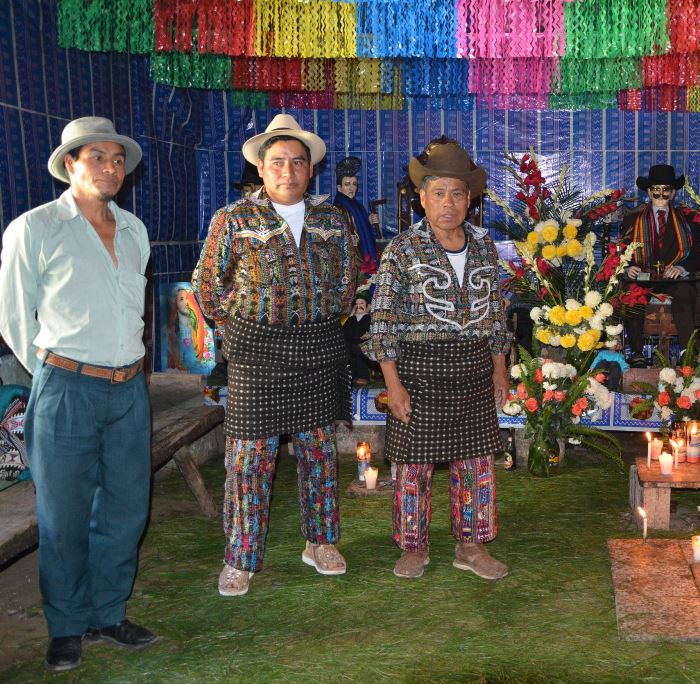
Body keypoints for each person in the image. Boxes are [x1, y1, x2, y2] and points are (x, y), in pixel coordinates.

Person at [0, 117, 156, 671]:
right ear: (70, 164)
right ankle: (66, 624)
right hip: (65, 387)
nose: (111, 168)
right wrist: (57, 371)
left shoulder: (135, 231)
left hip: (129, 389)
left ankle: (108, 613)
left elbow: (132, 313)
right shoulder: (35, 228)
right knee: (63, 515)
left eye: (118, 160)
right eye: (97, 158)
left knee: (126, 509)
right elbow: (14, 316)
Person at [192, 114, 361, 596]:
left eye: (298, 162)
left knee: (319, 454)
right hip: (256, 356)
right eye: (278, 162)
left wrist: (323, 312)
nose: (289, 171)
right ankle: (241, 557)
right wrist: (239, 325)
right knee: (249, 460)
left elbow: (348, 282)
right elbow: (207, 286)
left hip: (318, 350)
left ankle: (320, 542)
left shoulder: (334, 220)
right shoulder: (234, 219)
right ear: (262, 169)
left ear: (311, 169)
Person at [363, 139, 511, 581]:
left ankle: (471, 545)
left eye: (458, 194)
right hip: (418, 373)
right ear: (422, 198)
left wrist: (500, 369)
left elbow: (497, 314)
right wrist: (392, 385)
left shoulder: (485, 247)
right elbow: (382, 321)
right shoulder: (402, 249)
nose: (449, 203)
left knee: (476, 465)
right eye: (439, 193)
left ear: (470, 199)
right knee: (413, 468)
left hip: (475, 372)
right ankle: (414, 547)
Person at [622, 164, 700, 366]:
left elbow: (695, 256)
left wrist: (681, 268)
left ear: (673, 192)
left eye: (665, 190)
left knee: (685, 290)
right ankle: (637, 353)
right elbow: (621, 253)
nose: (660, 195)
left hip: (673, 280)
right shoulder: (631, 221)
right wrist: (628, 267)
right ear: (649, 192)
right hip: (642, 278)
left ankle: (686, 353)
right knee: (632, 292)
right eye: (655, 190)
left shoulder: (688, 222)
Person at [334, 156, 380, 270]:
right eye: (347, 184)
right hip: (350, 261)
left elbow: (358, 226)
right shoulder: (337, 209)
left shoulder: (357, 206)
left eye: (354, 184)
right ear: (339, 188)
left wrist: (369, 221)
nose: (351, 188)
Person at [165, 284, 215, 374]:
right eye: (182, 299)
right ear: (175, 303)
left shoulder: (204, 327)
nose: (186, 302)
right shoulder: (172, 331)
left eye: (189, 298)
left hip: (203, 373)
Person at [343, 292, 373, 386]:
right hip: (350, 344)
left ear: (367, 306)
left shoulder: (369, 318)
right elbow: (344, 330)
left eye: (361, 303)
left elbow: (373, 329)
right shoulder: (351, 319)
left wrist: (370, 334)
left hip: (363, 344)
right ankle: (353, 377)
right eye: (356, 304)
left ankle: (363, 377)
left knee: (361, 359)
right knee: (350, 360)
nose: (359, 306)